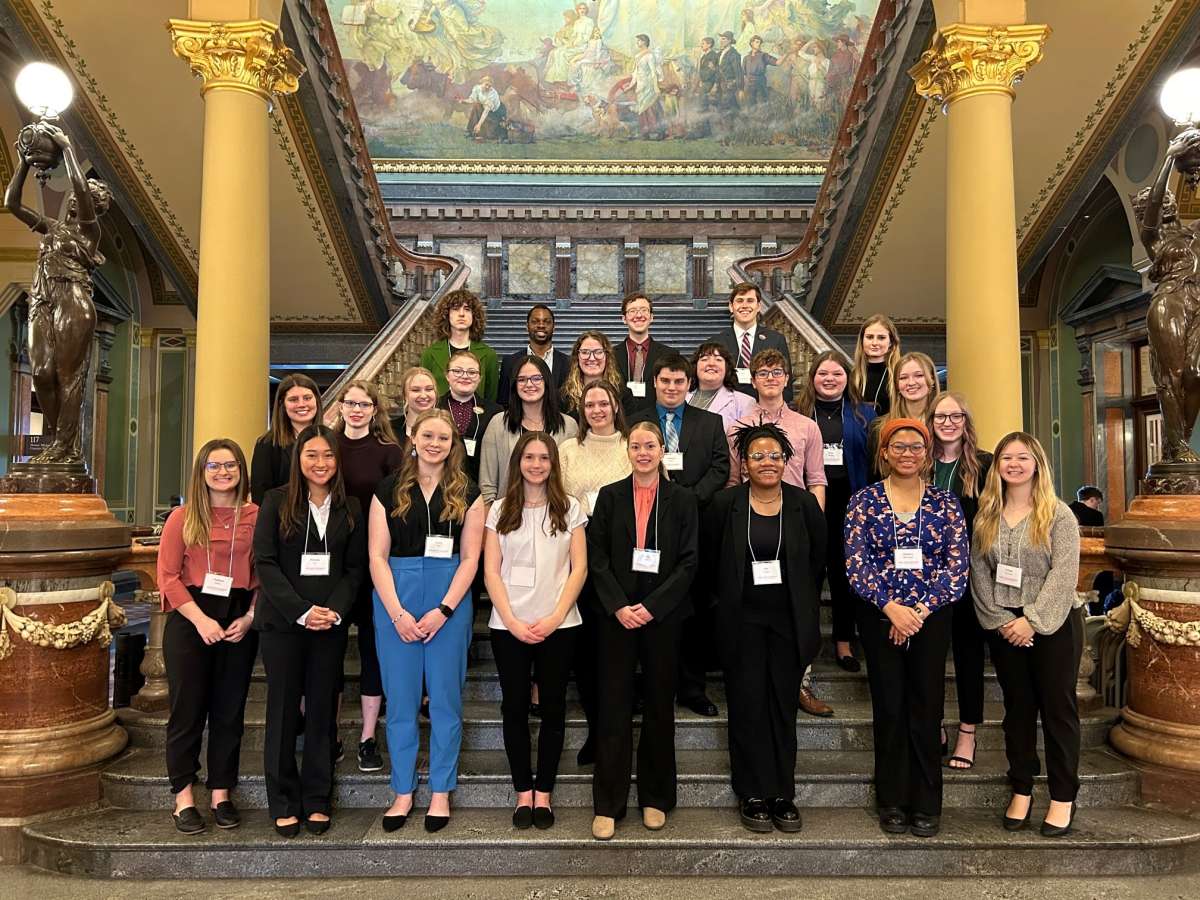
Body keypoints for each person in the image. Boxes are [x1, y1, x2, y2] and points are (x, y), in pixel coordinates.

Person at [845, 418, 969, 838]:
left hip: (930, 620)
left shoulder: (945, 504)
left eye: (916, 447)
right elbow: (856, 565)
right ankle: (893, 800)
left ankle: (927, 802)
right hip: (881, 617)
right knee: (890, 709)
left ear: (927, 453)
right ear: (883, 453)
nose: (907, 454)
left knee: (926, 708)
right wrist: (892, 608)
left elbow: (956, 568)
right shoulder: (863, 502)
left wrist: (916, 612)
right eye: (898, 447)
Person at [703, 423, 825, 833]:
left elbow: (816, 562)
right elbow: (709, 565)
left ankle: (782, 793)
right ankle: (751, 793)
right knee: (746, 707)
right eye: (758, 456)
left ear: (786, 460)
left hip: (788, 624)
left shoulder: (804, 505)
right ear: (745, 462)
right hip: (742, 624)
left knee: (781, 710)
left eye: (775, 455)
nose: (767, 463)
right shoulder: (725, 505)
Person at [369, 409, 486, 833]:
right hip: (394, 599)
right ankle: (402, 791)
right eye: (428, 435)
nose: (435, 443)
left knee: (445, 700)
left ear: (453, 444)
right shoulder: (387, 490)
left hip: (447, 599)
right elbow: (376, 557)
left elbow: (472, 557)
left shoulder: (468, 492)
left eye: (444, 437)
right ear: (412, 438)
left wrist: (445, 610)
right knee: (399, 702)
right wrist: (397, 612)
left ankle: (440, 789)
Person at [587, 420, 699, 841]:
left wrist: (651, 608)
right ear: (627, 451)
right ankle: (608, 803)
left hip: (663, 618)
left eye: (650, 445)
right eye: (636, 446)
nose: (643, 452)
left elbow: (689, 561)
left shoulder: (682, 499)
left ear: (661, 450)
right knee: (613, 706)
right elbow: (596, 556)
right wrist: (618, 605)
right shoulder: (610, 496)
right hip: (616, 618)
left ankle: (656, 797)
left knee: (657, 706)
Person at [253, 425, 366, 837]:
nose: (321, 464)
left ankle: (317, 799)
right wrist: (301, 611)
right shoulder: (276, 501)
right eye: (312, 455)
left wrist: (333, 611)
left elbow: (354, 570)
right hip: (284, 623)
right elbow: (264, 562)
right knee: (282, 712)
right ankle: (283, 800)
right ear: (298, 458)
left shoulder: (350, 507)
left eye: (328, 456)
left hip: (330, 625)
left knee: (322, 712)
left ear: (338, 461)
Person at [972, 432, 1082, 838]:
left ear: (1037, 463)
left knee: (1058, 712)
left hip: (1052, 625)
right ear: (997, 465)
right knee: (1017, 712)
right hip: (1004, 623)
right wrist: (1002, 619)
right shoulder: (987, 513)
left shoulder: (1058, 515)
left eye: (1022, 457)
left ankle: (1062, 796)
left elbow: (1064, 575)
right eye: (1006, 458)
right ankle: (1021, 787)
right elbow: (979, 572)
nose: (1014, 465)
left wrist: (1031, 620)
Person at [484, 433, 588, 830]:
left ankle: (543, 792)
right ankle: (521, 791)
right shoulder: (498, 510)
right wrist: (510, 619)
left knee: (554, 708)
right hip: (508, 625)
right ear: (518, 461)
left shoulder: (571, 508)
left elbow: (579, 568)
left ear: (553, 464)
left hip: (559, 624)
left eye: (544, 457)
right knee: (513, 707)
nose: (537, 464)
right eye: (529, 457)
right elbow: (491, 569)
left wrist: (556, 616)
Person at [158, 438, 258, 835]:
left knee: (230, 711)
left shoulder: (256, 514)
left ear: (241, 471)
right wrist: (200, 620)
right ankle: (183, 796)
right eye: (214, 466)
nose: (223, 472)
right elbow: (167, 577)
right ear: (201, 472)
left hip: (238, 617)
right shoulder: (183, 517)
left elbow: (264, 573)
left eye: (230, 465)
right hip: (191, 617)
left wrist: (250, 617)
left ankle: (221, 791)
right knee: (188, 710)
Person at [628, 353, 730, 718]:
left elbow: (721, 468)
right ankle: (644, 687)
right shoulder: (635, 421)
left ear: (689, 385)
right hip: (645, 526)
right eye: (665, 381)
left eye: (679, 382)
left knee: (693, 612)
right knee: (646, 604)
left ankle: (691, 688)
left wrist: (688, 499)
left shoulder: (710, 422)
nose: (672, 388)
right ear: (655, 382)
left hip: (694, 526)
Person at [558, 379, 632, 765]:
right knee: (586, 655)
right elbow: (558, 496)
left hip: (624, 564)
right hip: (580, 559)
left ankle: (617, 731)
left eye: (604, 403)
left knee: (615, 654)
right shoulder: (568, 449)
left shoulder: (631, 445)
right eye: (590, 405)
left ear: (615, 405)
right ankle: (595, 730)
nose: (597, 410)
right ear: (582, 409)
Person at [332, 380, 404, 773]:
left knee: (375, 651)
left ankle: (367, 736)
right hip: (332, 566)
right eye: (350, 403)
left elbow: (399, 506)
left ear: (375, 410)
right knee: (331, 648)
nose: (356, 409)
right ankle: (329, 732)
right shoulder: (326, 448)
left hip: (377, 564)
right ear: (340, 407)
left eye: (364, 404)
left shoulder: (389, 453)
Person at [794, 351, 877, 673]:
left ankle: (844, 641)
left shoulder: (864, 415)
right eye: (823, 374)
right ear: (813, 377)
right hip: (808, 501)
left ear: (848, 378)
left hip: (850, 502)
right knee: (809, 574)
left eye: (837, 374)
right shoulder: (798, 412)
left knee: (845, 576)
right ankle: (807, 642)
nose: (829, 379)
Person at [928, 392, 993, 771]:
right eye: (940, 416)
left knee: (968, 655)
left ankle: (967, 731)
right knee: (931, 655)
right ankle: (933, 722)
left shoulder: (982, 465)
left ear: (965, 421)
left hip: (969, 573)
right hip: (927, 576)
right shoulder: (921, 463)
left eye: (955, 416)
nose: (948, 423)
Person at [479, 356, 578, 504]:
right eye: (522, 379)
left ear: (547, 382)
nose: (529, 384)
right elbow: (487, 486)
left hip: (556, 516)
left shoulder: (568, 426)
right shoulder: (498, 424)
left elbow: (572, 481)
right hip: (507, 516)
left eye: (536, 378)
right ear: (514, 385)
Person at [708, 282, 793, 401]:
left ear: (758, 306)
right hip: (728, 410)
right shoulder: (716, 342)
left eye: (750, 301)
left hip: (766, 408)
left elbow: (786, 384)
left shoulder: (776, 340)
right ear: (731, 307)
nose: (744, 305)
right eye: (739, 301)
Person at [418, 288, 500, 403]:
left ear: (474, 315)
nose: (461, 314)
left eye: (467, 309)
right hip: (439, 418)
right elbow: (424, 392)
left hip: (478, 418)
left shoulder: (489, 355)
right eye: (455, 309)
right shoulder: (430, 354)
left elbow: (491, 397)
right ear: (447, 315)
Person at [250, 373, 321, 504]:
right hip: (282, 520)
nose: (302, 404)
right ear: (282, 404)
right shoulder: (267, 444)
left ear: (316, 400)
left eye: (307, 398)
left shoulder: (330, 440)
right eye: (293, 400)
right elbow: (260, 496)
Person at [438, 349, 502, 482]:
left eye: (472, 372)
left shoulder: (495, 412)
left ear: (480, 378)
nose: (465, 376)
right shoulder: (433, 408)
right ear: (447, 375)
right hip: (439, 480)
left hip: (479, 483)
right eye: (457, 371)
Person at [614, 292, 675, 411]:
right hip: (620, 420)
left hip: (656, 419)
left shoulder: (670, 355)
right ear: (624, 319)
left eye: (644, 310)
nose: (638, 315)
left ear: (651, 317)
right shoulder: (610, 355)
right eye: (632, 311)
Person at [497, 305, 570, 402]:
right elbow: (504, 402)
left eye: (546, 322)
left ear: (554, 327)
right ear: (527, 326)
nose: (541, 325)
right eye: (535, 321)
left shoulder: (569, 363)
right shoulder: (510, 363)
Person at [560, 330, 635, 418]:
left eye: (598, 352)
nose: (591, 358)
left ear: (607, 356)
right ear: (577, 357)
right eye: (585, 352)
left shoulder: (623, 395)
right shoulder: (563, 397)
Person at [687, 341, 755, 430]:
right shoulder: (680, 396)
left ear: (727, 368)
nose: (711, 363)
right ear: (695, 366)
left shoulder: (744, 403)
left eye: (718, 359)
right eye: (704, 359)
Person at [851, 314, 901, 415]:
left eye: (881, 338)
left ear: (891, 342)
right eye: (869, 337)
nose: (874, 343)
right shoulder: (851, 375)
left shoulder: (899, 374)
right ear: (862, 341)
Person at [389, 366, 439, 441]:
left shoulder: (448, 427)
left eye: (429, 389)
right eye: (416, 390)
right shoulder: (388, 430)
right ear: (405, 395)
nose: (423, 395)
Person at [743, 35, 777, 108]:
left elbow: (777, 63)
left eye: (760, 43)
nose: (759, 44)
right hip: (749, 84)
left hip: (760, 83)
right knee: (750, 105)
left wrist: (788, 54)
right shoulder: (746, 58)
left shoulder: (764, 55)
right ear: (752, 43)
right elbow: (744, 73)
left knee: (762, 105)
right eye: (757, 42)